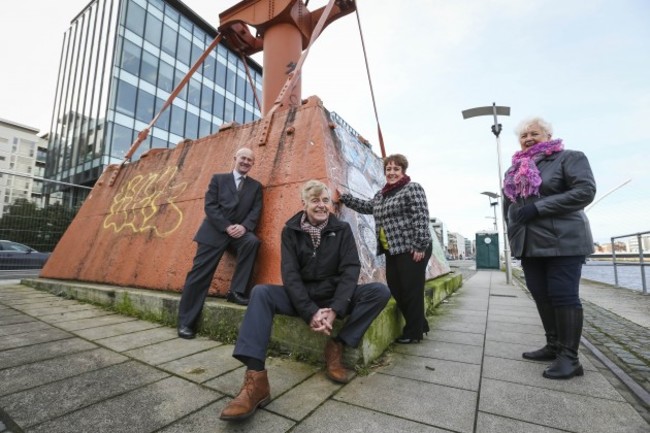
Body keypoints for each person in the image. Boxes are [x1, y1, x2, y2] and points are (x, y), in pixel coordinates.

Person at [219, 180, 390, 421]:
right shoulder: (290, 230)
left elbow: (351, 269)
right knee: (261, 293)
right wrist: (310, 311)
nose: (321, 205)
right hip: (303, 297)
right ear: (304, 203)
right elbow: (290, 275)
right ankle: (256, 380)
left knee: (380, 293)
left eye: (325, 200)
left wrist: (335, 309)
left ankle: (337, 345)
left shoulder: (341, 229)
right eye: (315, 201)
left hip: (333, 296)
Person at [503, 117, 596, 380]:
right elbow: (508, 208)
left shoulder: (569, 157)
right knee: (541, 295)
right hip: (529, 244)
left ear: (548, 135)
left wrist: (538, 207)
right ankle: (554, 345)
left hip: (563, 241)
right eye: (523, 135)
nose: (528, 138)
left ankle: (570, 358)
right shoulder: (514, 170)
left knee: (563, 296)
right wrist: (513, 238)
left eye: (534, 133)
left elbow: (585, 191)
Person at [338, 154, 432, 344]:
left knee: (411, 290)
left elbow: (421, 216)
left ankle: (413, 332)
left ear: (403, 171)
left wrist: (419, 245)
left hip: (412, 248)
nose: (391, 172)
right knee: (397, 289)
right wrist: (345, 199)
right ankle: (420, 324)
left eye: (396, 169)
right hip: (392, 250)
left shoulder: (412, 188)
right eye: (388, 169)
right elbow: (367, 207)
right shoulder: (381, 195)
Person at [177, 147, 263, 339]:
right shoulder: (218, 179)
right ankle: (185, 323)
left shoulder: (256, 186)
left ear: (252, 164)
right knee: (199, 275)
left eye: (250, 160)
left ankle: (237, 292)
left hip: (239, 233)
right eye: (243, 158)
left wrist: (244, 227)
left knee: (252, 242)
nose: (246, 162)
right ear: (235, 158)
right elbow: (210, 206)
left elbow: (255, 210)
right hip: (214, 231)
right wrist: (226, 226)